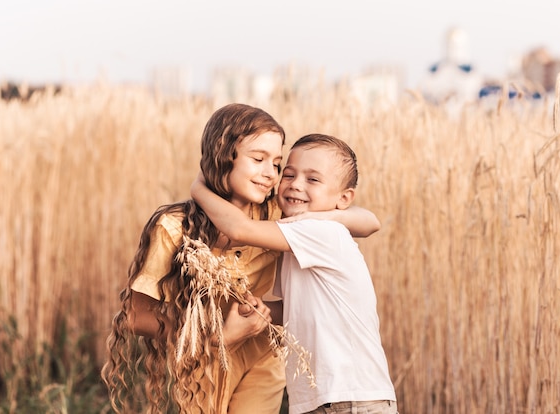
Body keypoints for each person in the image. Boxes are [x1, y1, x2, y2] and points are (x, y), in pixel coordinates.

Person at [101, 104, 381, 414]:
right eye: (259, 160)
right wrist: (215, 332)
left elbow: (367, 221)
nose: (270, 174)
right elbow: (135, 317)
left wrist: (199, 188)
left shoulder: (281, 213)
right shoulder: (173, 226)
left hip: (264, 358)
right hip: (204, 360)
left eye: (276, 164)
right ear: (223, 157)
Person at [191, 133, 398, 414]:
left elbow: (239, 229)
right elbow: (299, 308)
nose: (296, 185)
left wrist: (199, 188)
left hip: (350, 399)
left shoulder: (322, 232)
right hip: (326, 398)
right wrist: (263, 311)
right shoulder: (300, 237)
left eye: (313, 179)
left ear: (344, 198)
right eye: (288, 174)